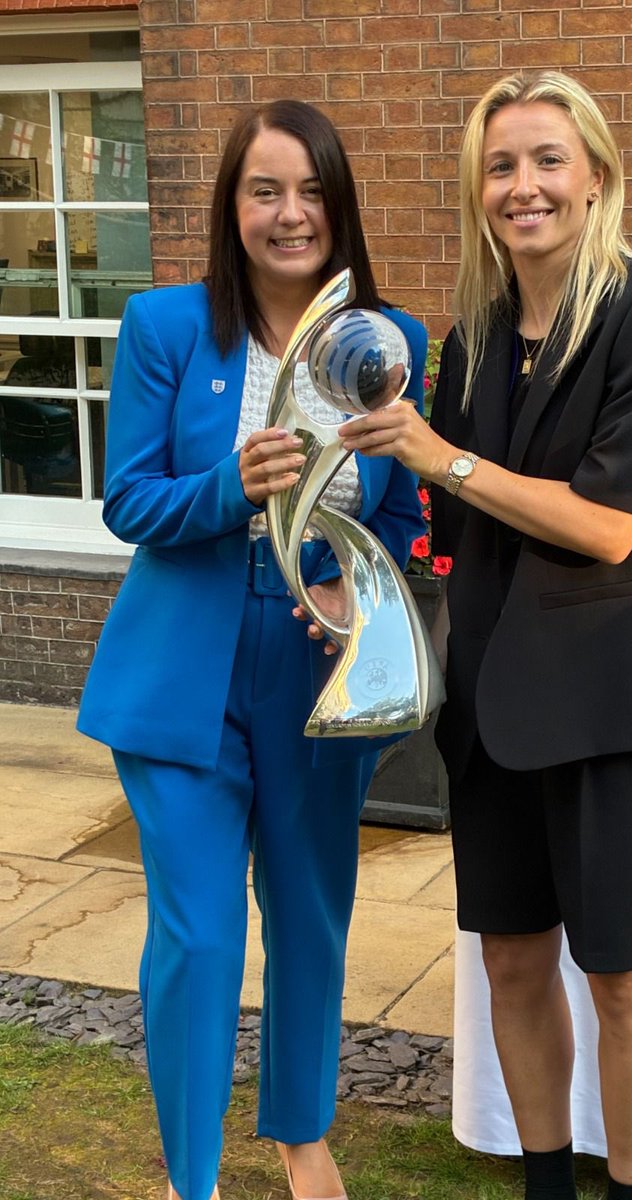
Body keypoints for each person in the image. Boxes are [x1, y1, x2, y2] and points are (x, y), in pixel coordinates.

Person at [336, 71, 632, 1200]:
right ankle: (548, 1185)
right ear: (480, 190)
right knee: (511, 960)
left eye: (548, 159)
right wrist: (347, 573)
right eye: (501, 166)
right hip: (496, 708)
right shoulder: (470, 343)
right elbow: (450, 530)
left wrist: (438, 456)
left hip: (617, 708)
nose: (525, 186)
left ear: (596, 174)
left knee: (620, 981)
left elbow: (609, 527)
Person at [77, 100, 427, 1200]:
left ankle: (302, 1134)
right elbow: (128, 500)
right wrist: (236, 487)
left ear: (342, 206)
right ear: (231, 208)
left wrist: (363, 572)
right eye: (264, 190)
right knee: (200, 934)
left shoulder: (392, 341)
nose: (290, 214)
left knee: (314, 914)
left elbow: (412, 507)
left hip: (320, 663)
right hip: (182, 667)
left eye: (312, 191)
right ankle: (192, 1177)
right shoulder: (164, 325)